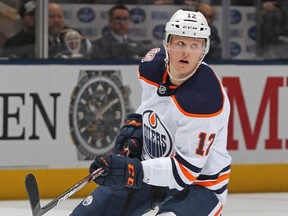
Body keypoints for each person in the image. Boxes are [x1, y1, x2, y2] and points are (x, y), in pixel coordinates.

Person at [71, 9, 231, 216]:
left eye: (194, 45)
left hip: (199, 186)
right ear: (168, 44)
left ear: (203, 50)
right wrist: (137, 125)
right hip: (151, 172)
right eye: (180, 43)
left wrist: (131, 171)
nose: (186, 53)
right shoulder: (151, 66)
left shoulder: (204, 100)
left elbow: (185, 172)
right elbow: (150, 105)